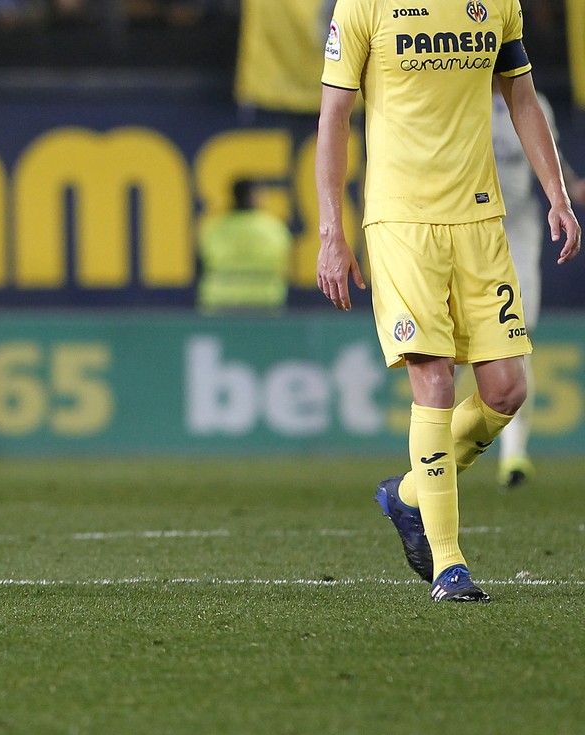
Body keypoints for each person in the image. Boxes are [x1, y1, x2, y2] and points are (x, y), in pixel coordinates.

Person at [316, 0, 580, 602]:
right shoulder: (364, 7)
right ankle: (449, 565)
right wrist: (332, 233)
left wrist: (556, 195)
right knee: (433, 380)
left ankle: (408, 495)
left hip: (481, 220)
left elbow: (521, 96)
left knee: (507, 390)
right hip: (401, 222)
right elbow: (334, 116)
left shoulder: (497, 6)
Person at [489, 92, 585, 489]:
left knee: (518, 335)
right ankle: (438, 450)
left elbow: (545, 148)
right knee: (449, 341)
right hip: (470, 225)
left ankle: (514, 455)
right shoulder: (460, 89)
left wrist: (569, 186)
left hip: (521, 230)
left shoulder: (533, 102)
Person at [196, 178, 293, 315]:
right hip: (265, 301)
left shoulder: (214, 227)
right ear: (254, 196)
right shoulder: (274, 228)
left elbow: (201, 262)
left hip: (220, 300)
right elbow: (285, 263)